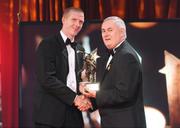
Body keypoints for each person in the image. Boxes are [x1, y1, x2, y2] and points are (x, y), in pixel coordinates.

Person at [80, 16, 146, 128]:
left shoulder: (127, 56)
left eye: (110, 30)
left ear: (122, 32)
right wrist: (91, 103)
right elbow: (109, 88)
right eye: (103, 31)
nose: (105, 35)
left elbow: (123, 94)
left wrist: (95, 94)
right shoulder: (115, 54)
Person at [34, 7, 92, 128]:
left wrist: (85, 94)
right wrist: (75, 98)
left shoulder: (81, 49)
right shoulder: (47, 44)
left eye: (81, 21)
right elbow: (47, 79)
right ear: (64, 20)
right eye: (74, 20)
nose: (77, 24)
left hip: (74, 116)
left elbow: (81, 79)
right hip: (50, 116)